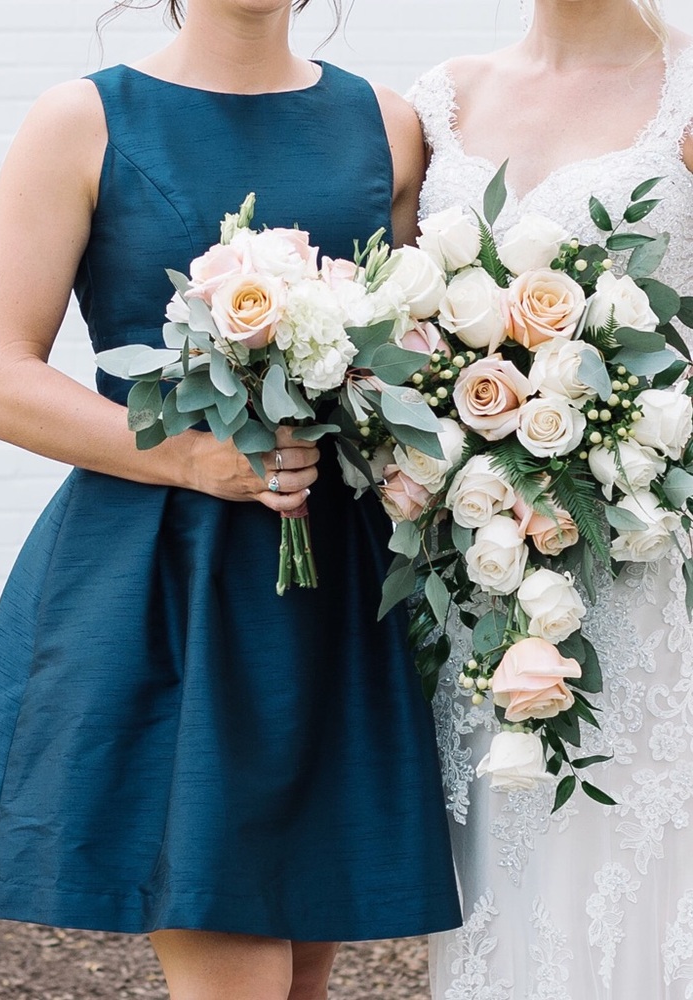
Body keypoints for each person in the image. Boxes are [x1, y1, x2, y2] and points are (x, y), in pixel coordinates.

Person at [0, 1, 462, 996]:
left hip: (331, 585)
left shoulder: (385, 124)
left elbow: (415, 351)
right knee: (238, 964)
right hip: (167, 579)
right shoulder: (81, 120)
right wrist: (188, 458)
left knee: (299, 970)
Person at [408, 0, 693, 995]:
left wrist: (628, 434)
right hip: (488, 566)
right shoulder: (440, 101)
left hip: (649, 556)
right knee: (512, 869)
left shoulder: (685, 86)